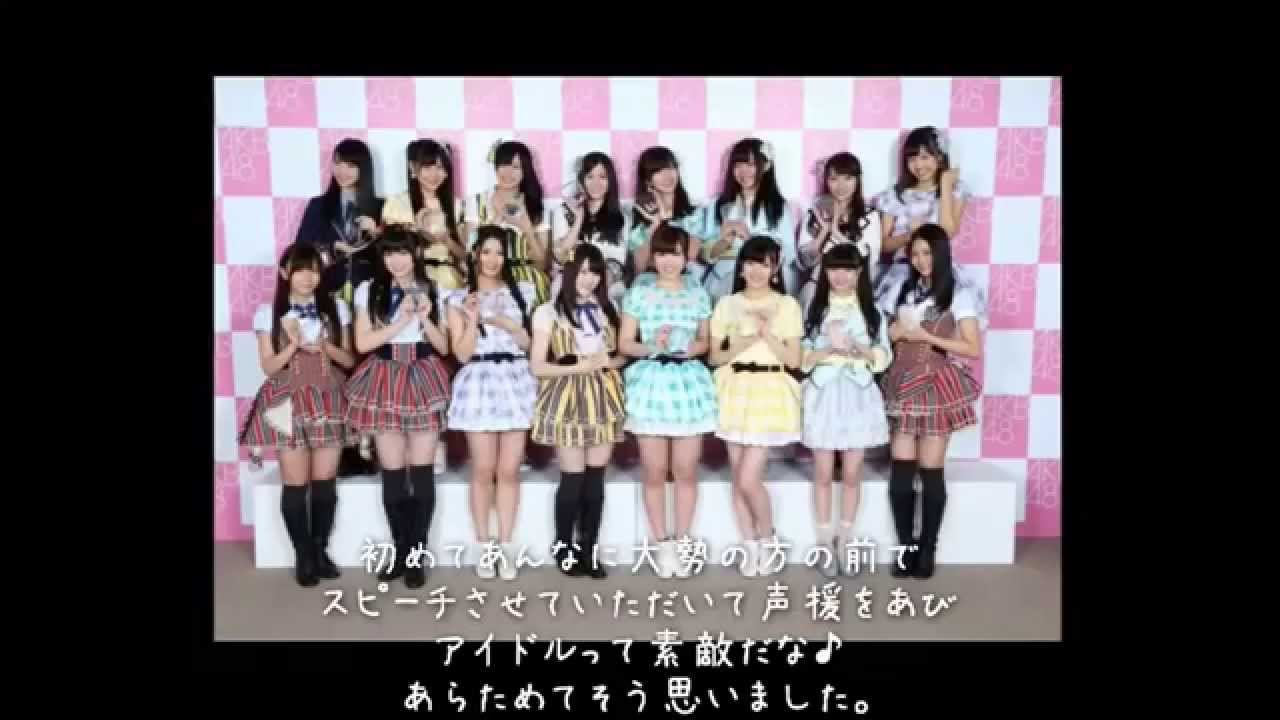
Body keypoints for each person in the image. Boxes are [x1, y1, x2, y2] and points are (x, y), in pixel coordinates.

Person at [239, 243, 358, 587]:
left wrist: (325, 347)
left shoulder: (335, 308)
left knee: (325, 482)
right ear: (285, 273)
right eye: (301, 269)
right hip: (286, 399)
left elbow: (349, 360)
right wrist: (292, 345)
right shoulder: (269, 313)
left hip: (328, 396)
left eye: (314, 271)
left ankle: (319, 550)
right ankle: (303, 554)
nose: (308, 277)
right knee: (294, 483)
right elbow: (268, 367)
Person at [344, 227, 452, 589]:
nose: (397, 261)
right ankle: (401, 550)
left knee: (420, 472)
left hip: (422, 372)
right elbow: (363, 343)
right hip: (385, 373)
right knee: (392, 473)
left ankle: (417, 554)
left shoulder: (435, 288)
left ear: (415, 253)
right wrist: (402, 320)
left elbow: (444, 346)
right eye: (389, 254)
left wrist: (424, 317)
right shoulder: (368, 290)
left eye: (403, 252)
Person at [880, 224, 983, 579]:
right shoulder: (901, 290)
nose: (921, 261)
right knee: (901, 471)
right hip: (901, 380)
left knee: (931, 470)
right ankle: (906, 547)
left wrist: (926, 335)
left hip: (935, 383)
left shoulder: (959, 294)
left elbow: (972, 348)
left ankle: (928, 548)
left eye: (927, 253)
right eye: (915, 254)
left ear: (941, 254)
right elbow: (885, 335)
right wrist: (894, 332)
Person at [618, 223, 718, 578]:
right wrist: (652, 346)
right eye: (661, 253)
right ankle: (663, 545)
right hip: (651, 383)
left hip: (688, 383)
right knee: (654, 470)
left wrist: (692, 348)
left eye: (674, 253)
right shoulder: (639, 293)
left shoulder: (698, 294)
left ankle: (684, 540)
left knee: (686, 470)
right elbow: (624, 343)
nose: (668, 261)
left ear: (685, 256)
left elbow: (706, 341)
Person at [446, 224, 539, 580]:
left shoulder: (523, 291)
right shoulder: (458, 298)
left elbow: (531, 345)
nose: (492, 259)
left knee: (509, 470)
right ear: (474, 254)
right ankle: (485, 547)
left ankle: (507, 546)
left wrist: (510, 326)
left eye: (499, 252)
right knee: (483, 470)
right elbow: (461, 353)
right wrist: (472, 320)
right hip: (479, 381)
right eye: (486, 251)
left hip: (516, 379)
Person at [529, 244, 627, 579]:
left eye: (595, 272)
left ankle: (589, 549)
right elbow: (538, 366)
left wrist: (606, 362)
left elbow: (620, 355)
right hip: (567, 395)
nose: (589, 279)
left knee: (595, 478)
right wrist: (579, 367)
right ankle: (564, 546)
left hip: (603, 395)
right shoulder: (548, 313)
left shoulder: (607, 308)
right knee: (572, 478)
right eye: (583, 271)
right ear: (570, 273)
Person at [708, 236, 804, 577]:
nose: (757, 271)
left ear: (775, 269)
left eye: (764, 264)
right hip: (734, 387)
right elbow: (715, 356)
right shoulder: (727, 305)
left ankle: (769, 539)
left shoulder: (787, 305)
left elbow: (794, 359)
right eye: (750, 263)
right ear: (741, 267)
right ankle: (751, 548)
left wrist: (767, 334)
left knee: (749, 479)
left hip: (769, 389)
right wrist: (745, 339)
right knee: (738, 478)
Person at [799, 242, 892, 578]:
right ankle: (825, 543)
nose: (840, 276)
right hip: (824, 393)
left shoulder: (872, 311)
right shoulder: (814, 308)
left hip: (858, 394)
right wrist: (827, 349)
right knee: (823, 472)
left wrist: (858, 349)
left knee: (852, 473)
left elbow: (884, 356)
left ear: (858, 272)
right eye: (833, 268)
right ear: (825, 271)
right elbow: (801, 357)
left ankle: (846, 540)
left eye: (847, 269)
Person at [873, 126, 985, 324]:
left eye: (925, 157)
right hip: (904, 271)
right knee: (897, 326)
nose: (918, 165)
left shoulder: (955, 190)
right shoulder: (895, 196)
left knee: (944, 324)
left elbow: (948, 231)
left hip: (940, 269)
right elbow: (884, 244)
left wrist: (945, 184)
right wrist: (910, 236)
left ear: (939, 157)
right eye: (912, 158)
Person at [702, 138, 797, 302]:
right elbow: (706, 254)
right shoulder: (718, 205)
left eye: (750, 165)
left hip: (765, 278)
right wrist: (724, 241)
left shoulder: (778, 207)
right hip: (725, 277)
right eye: (738, 165)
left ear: (766, 166)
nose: (743, 171)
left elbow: (789, 253)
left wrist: (751, 241)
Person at [467, 140, 552, 304]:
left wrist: (527, 229)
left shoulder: (536, 206)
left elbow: (542, 264)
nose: (508, 172)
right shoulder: (477, 202)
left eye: (516, 167)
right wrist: (497, 220)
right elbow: (471, 252)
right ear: (495, 167)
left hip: (529, 281)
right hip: (490, 280)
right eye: (504, 165)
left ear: (525, 170)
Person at [796, 152, 881, 311]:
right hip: (817, 287)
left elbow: (869, 260)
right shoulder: (814, 214)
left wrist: (836, 233)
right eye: (834, 179)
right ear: (826, 181)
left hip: (855, 290)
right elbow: (804, 262)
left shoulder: (870, 216)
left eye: (848, 178)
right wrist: (824, 232)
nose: (841, 186)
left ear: (858, 180)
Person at [381, 138, 467, 292]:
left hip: (449, 280)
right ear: (413, 168)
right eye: (427, 167)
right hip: (411, 279)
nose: (434, 174)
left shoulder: (456, 205)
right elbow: (389, 248)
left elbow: (466, 255)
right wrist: (417, 231)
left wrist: (447, 240)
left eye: (440, 167)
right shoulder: (397, 204)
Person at [549, 152, 629, 310]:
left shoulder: (621, 218)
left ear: (611, 181)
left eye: (602, 177)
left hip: (607, 284)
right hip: (569, 281)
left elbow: (618, 264)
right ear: (581, 180)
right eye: (590, 176)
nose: (596, 183)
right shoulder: (562, 212)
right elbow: (561, 255)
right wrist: (578, 219)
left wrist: (595, 282)